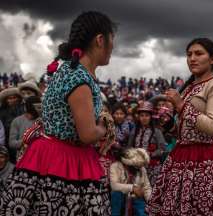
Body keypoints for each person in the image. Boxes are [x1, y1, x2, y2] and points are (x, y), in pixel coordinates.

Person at [0, 11, 116, 215]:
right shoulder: (80, 78)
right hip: (65, 161)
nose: (113, 47)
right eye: (112, 39)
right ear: (100, 40)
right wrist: (102, 126)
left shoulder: (67, 70)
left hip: (47, 156)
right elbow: (87, 134)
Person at [146, 38, 213, 215]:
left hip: (207, 159)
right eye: (189, 55)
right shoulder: (189, 88)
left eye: (198, 53)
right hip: (182, 157)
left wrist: (181, 106)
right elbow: (185, 131)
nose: (192, 58)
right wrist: (171, 124)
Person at [110, 148, 152, 216]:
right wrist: (133, 188)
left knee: (141, 208)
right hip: (120, 197)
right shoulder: (115, 166)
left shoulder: (142, 169)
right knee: (116, 194)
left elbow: (147, 187)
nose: (139, 168)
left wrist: (150, 202)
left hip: (135, 198)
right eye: (137, 167)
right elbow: (114, 185)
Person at [9, 96, 42, 163]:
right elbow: (12, 143)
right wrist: (28, 139)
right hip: (23, 158)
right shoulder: (17, 121)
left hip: (40, 157)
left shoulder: (43, 120)